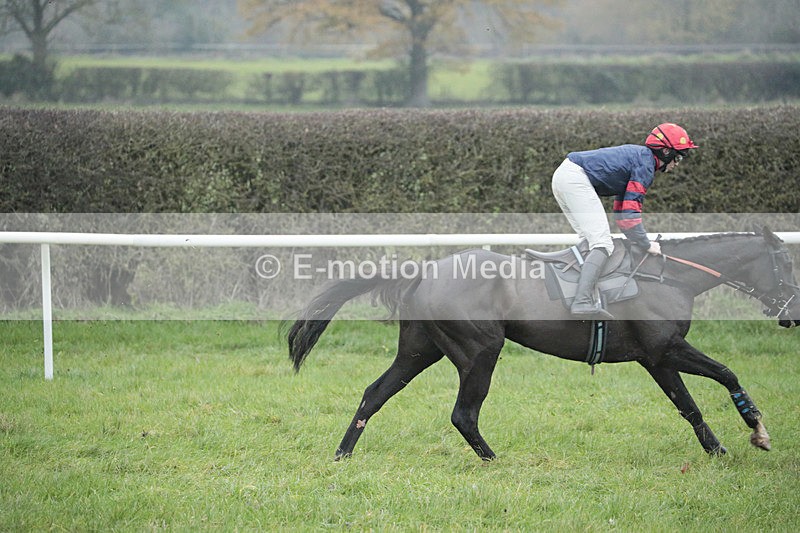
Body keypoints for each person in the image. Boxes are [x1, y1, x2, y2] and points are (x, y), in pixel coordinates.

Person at [551, 123, 698, 319]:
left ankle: (582, 294)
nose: (677, 163)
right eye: (678, 157)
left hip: (564, 175)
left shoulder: (640, 159)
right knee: (602, 244)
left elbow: (622, 214)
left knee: (592, 241)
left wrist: (639, 239)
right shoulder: (645, 165)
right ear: (665, 152)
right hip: (574, 178)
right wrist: (646, 244)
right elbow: (630, 214)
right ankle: (582, 301)